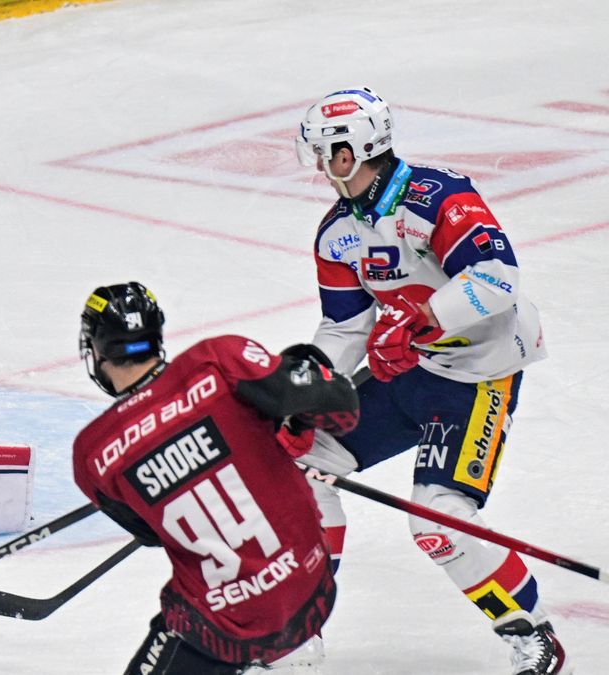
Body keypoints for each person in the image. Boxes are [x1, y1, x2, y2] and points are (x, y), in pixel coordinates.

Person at [294, 87, 567, 674]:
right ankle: (298, 628)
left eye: (328, 153)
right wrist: (301, 389)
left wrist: (424, 318)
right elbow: (344, 328)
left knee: (437, 518)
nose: (321, 166)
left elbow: (496, 280)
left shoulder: (439, 196)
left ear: (355, 150)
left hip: (476, 377)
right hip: (407, 374)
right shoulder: (337, 232)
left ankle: (532, 634)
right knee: (298, 469)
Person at [70, 282, 360, 674]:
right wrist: (290, 408)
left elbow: (152, 533)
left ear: (98, 351)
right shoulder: (218, 361)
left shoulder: (93, 454)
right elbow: (341, 405)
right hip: (311, 591)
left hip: (221, 630)